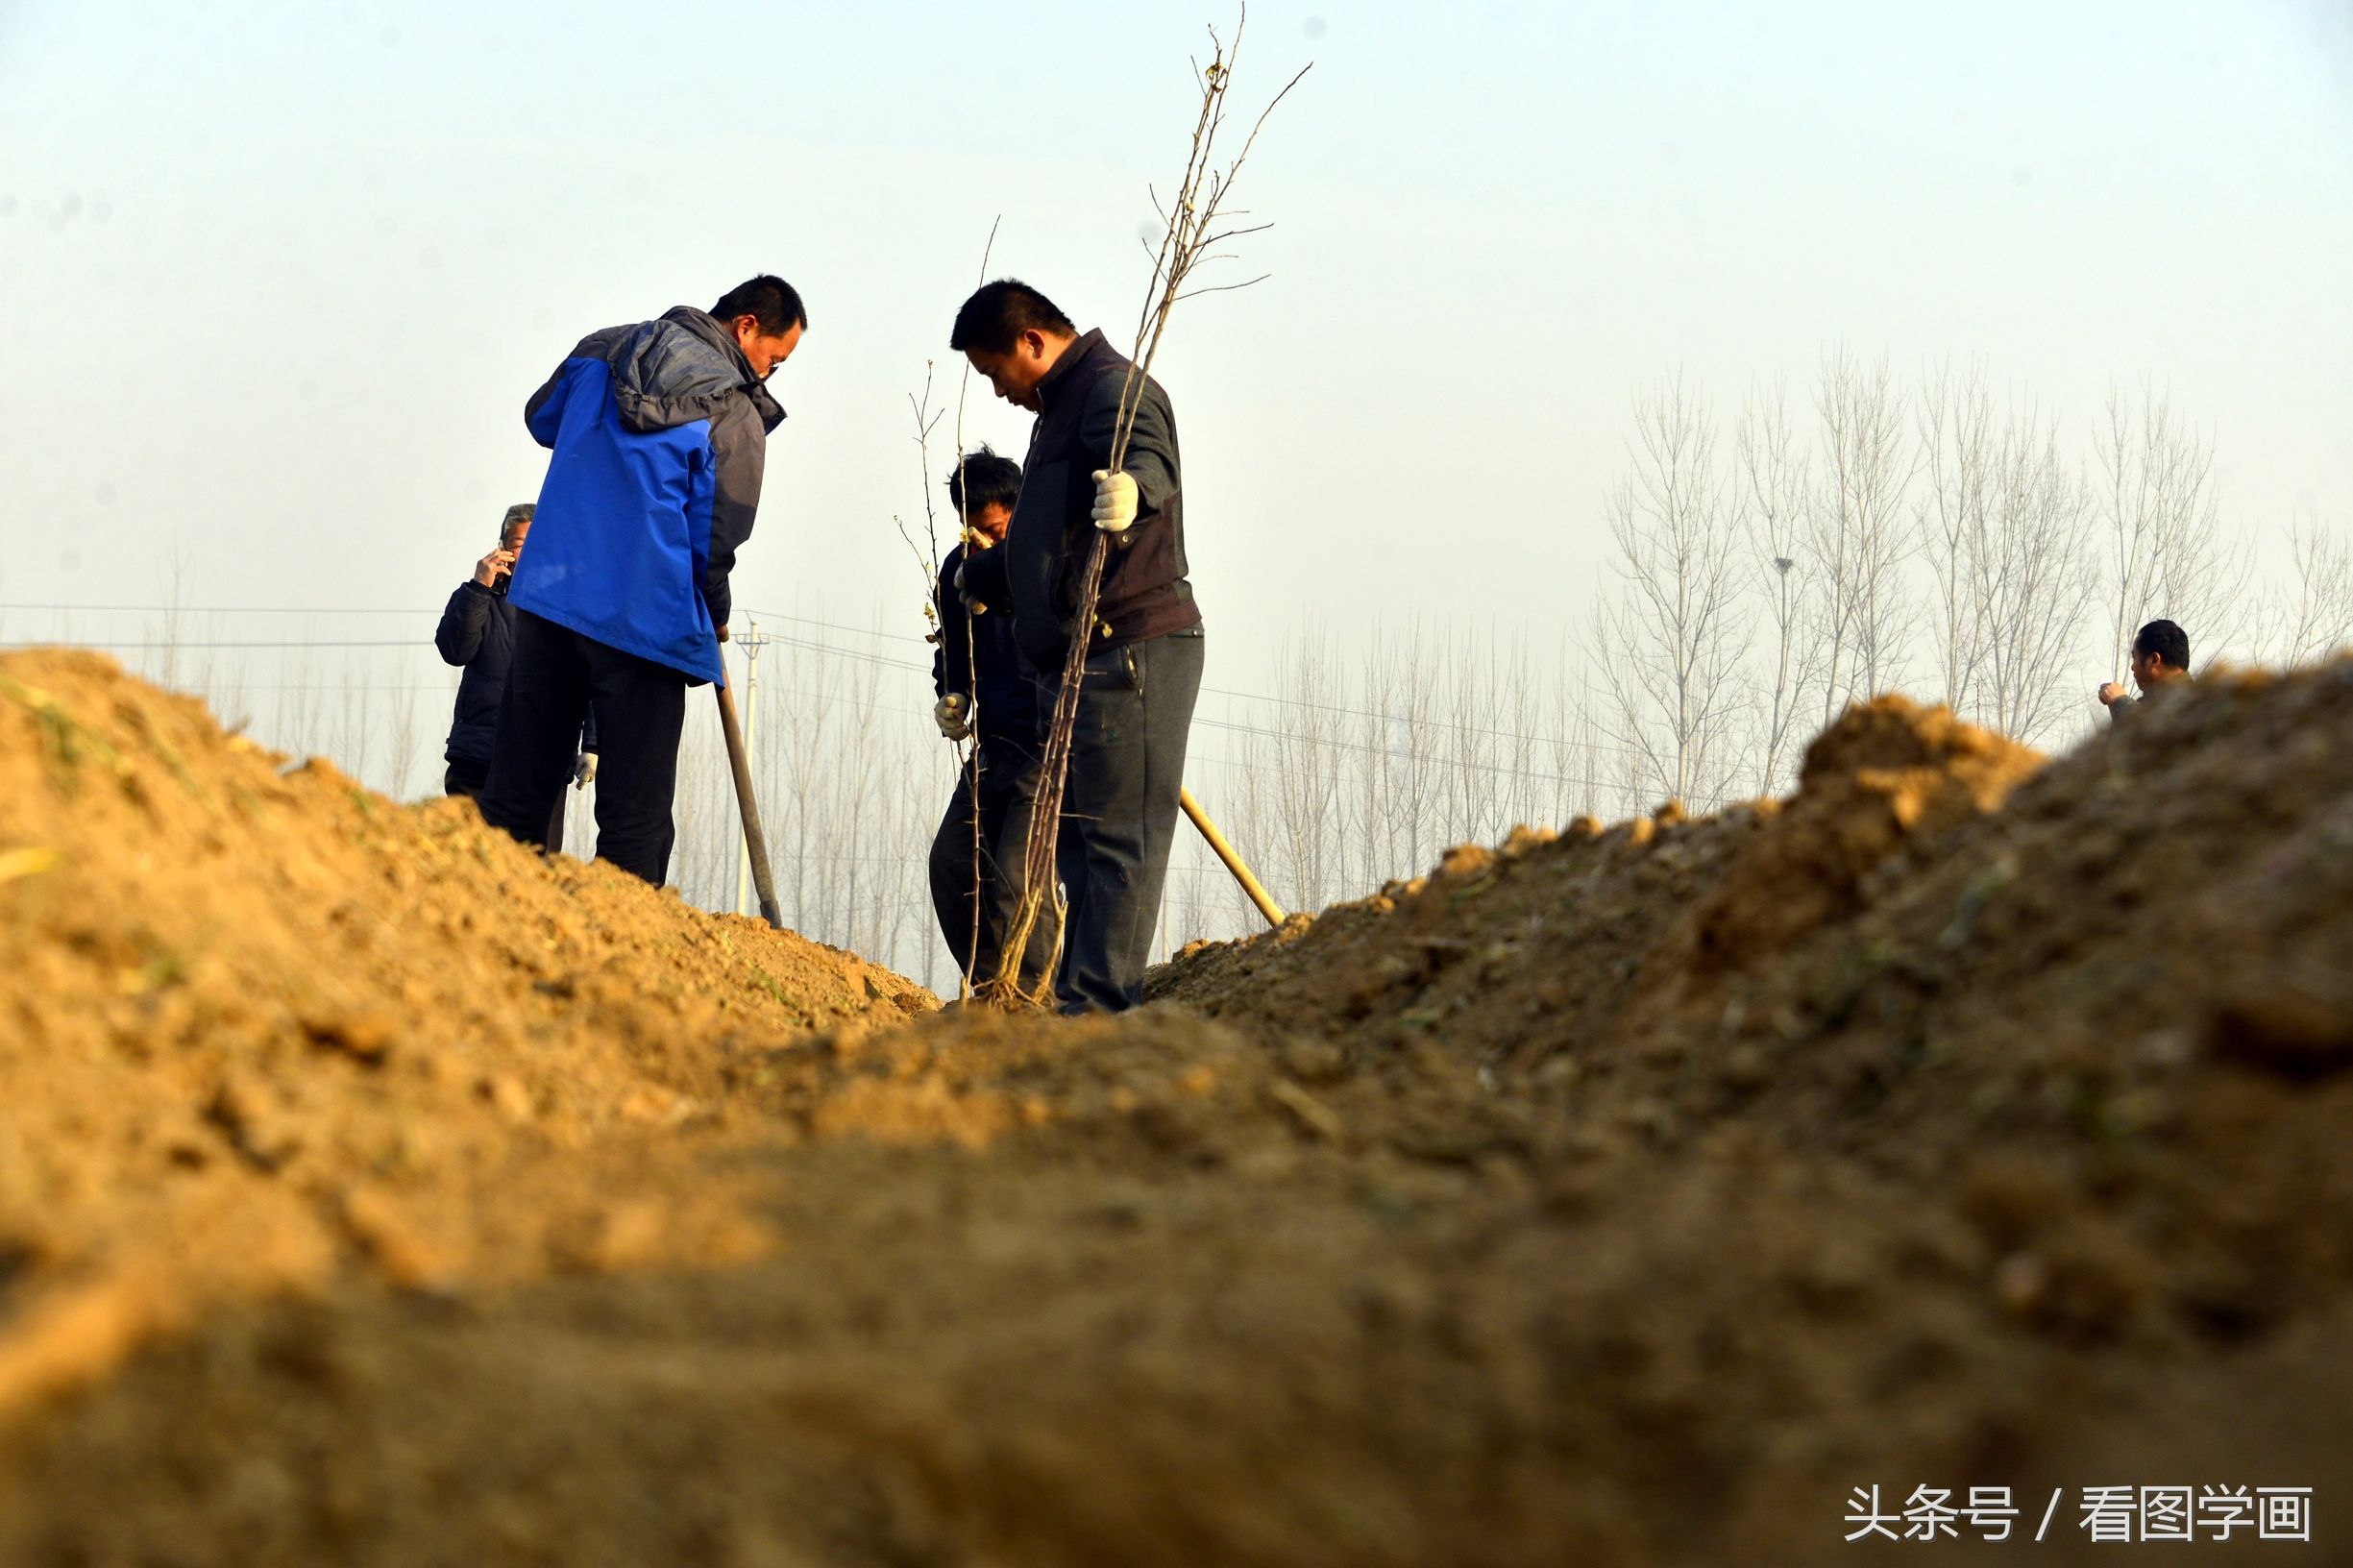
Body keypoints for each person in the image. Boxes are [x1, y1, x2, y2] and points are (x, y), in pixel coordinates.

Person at [476, 276, 805, 885]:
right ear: (747, 326)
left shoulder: (601, 350)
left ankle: (486, 918)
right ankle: (622, 955)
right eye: (774, 360)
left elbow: (541, 420)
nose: (768, 376)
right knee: (635, 813)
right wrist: (716, 608)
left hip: (551, 598)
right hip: (644, 619)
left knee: (518, 787)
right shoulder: (733, 411)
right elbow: (715, 537)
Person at [949, 279, 1204, 1014]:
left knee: (1118, 841)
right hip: (1077, 655)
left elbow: (1149, 458)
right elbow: (1049, 539)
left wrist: (1136, 489)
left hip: (1133, 648)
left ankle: (1096, 1006)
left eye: (997, 372)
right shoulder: (1057, 411)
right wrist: (991, 576)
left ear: (1031, 341)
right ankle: (1081, 1000)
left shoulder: (1113, 388)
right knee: (1077, 844)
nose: (999, 392)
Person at [927, 448, 1054, 992]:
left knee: (1016, 878)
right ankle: (990, 987)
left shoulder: (1050, 558)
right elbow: (953, 650)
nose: (985, 544)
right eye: (975, 533)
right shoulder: (958, 571)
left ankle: (1034, 996)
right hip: (995, 743)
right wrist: (952, 694)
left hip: (1048, 744)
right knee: (953, 865)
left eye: (997, 532)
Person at [433, 503, 596, 812]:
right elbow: (455, 652)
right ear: (503, 550)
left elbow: (593, 679)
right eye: (520, 544)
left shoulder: (573, 607)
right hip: (477, 756)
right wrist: (479, 587)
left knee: (535, 856)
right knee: (468, 853)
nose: (530, 551)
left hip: (545, 758)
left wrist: (592, 745)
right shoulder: (479, 597)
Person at [2097, 619, 2191, 723]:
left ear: (2154, 660)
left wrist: (2120, 702)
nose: (2132, 667)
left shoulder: (2191, 704)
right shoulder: (2157, 705)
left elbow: (2156, 734)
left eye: (2134, 657)